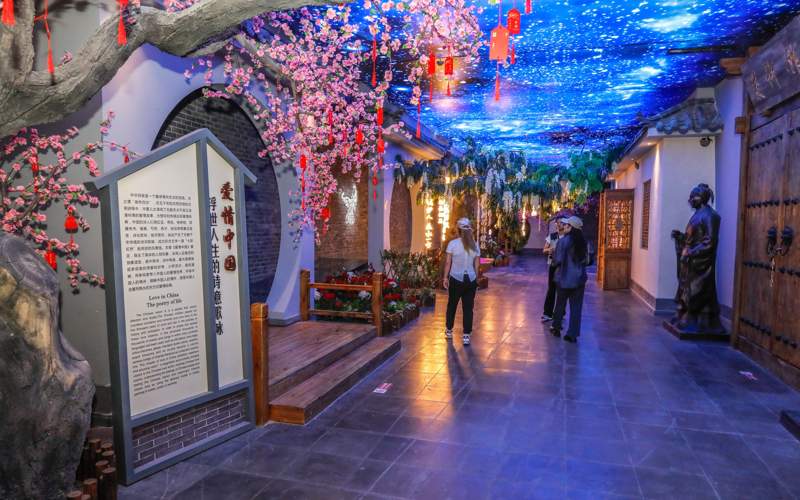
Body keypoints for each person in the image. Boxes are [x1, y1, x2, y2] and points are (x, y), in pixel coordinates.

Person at [549, 215, 588, 343]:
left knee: (560, 304)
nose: (564, 226)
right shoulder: (584, 242)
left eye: (566, 225)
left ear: (571, 227)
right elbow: (588, 261)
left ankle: (556, 328)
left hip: (563, 278)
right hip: (579, 280)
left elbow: (557, 260)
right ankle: (572, 334)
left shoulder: (563, 242)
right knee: (576, 307)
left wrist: (553, 257)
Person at [443, 218, 481, 346]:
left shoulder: (452, 244)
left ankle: (449, 330)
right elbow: (477, 265)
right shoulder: (475, 245)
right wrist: (476, 280)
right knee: (468, 308)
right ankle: (466, 336)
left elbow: (448, 263)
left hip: (456, 278)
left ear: (458, 230)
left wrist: (445, 278)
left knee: (452, 305)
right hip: (470, 279)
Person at [541, 221, 563, 322]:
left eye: (561, 223)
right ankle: (547, 313)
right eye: (557, 223)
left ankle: (560, 312)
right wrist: (550, 249)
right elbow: (544, 250)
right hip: (553, 265)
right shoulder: (552, 236)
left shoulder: (567, 237)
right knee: (551, 288)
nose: (558, 224)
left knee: (562, 290)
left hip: (563, 266)